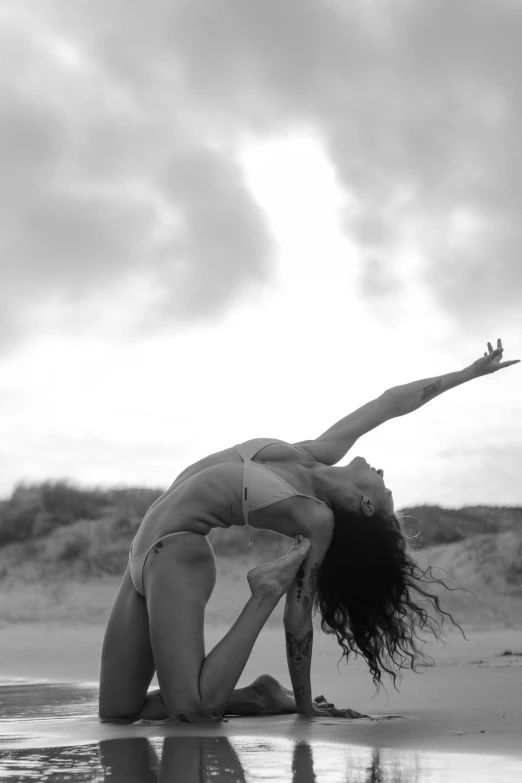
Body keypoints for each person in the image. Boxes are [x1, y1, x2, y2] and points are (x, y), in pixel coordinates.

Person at [98, 339, 519, 723]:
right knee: (119, 712)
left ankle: (262, 592)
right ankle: (258, 697)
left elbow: (298, 617)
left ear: (366, 505)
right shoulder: (319, 454)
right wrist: (467, 375)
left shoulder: (317, 518)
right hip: (138, 553)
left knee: (194, 712)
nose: (384, 474)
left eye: (386, 490)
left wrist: (305, 707)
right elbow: (389, 403)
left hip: (175, 554)